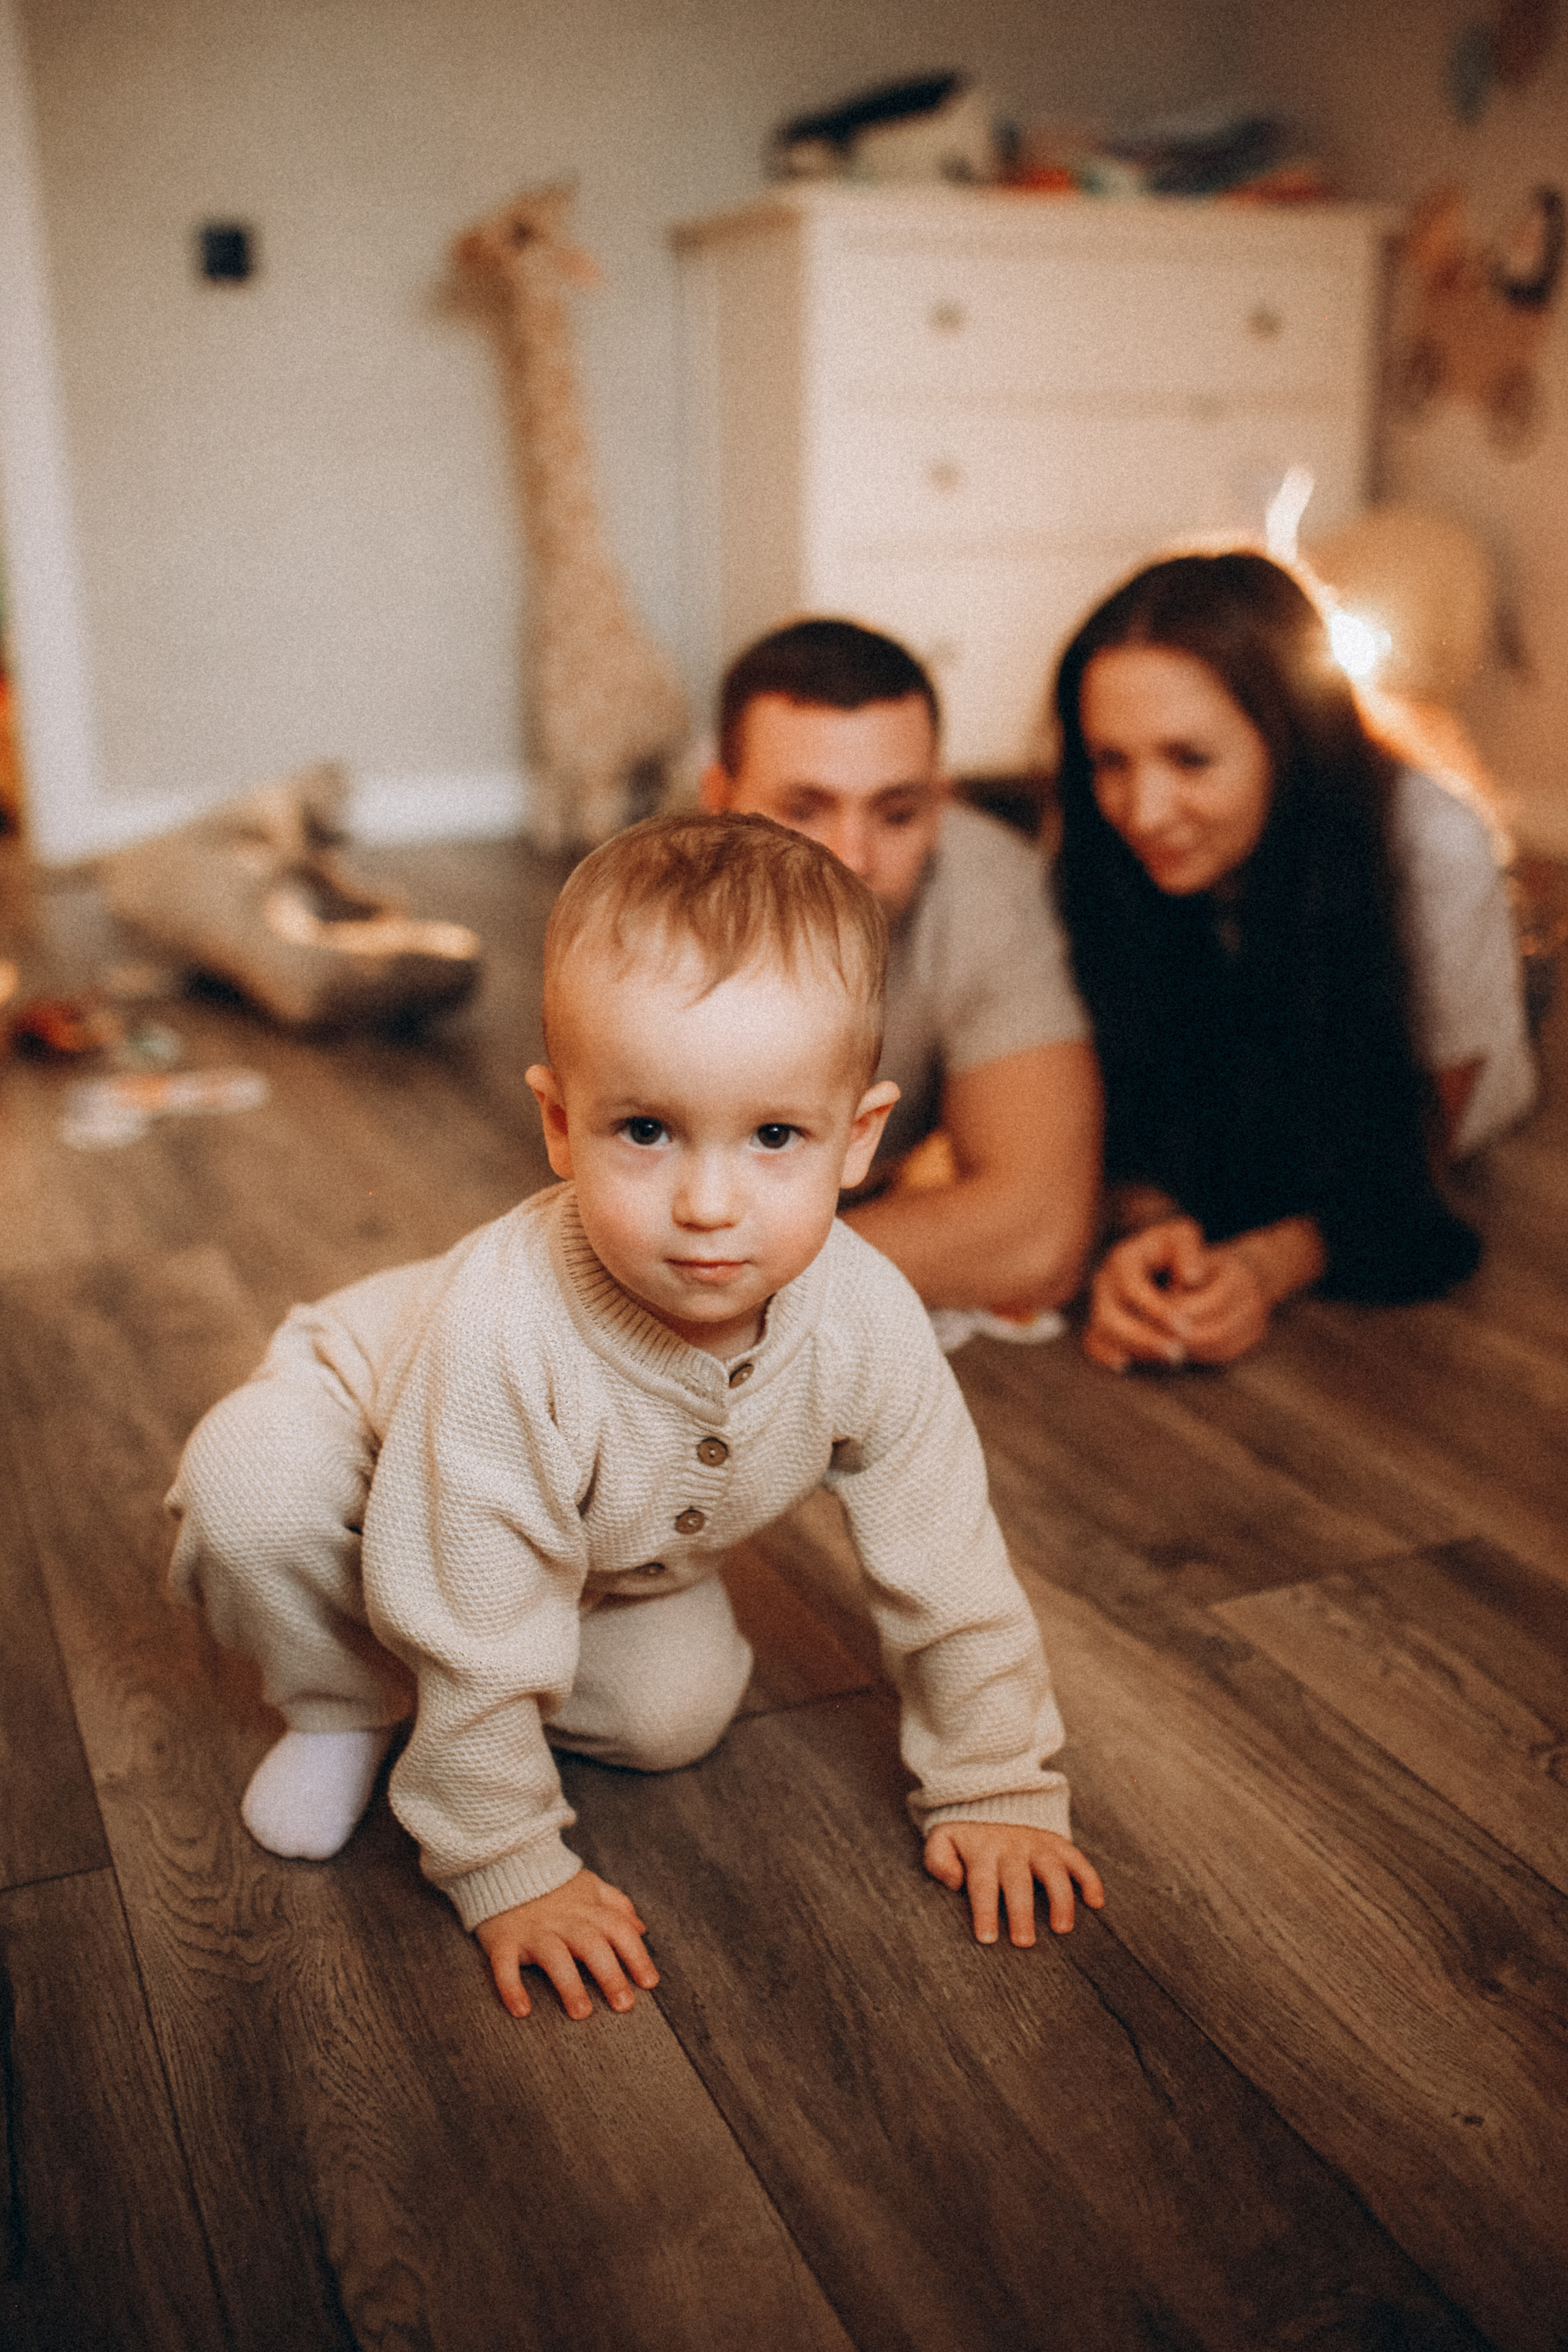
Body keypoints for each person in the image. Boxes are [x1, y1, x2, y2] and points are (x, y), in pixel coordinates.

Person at [167, 812, 1103, 2022]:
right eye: (646, 1131)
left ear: (856, 1138)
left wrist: (994, 1784)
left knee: (674, 1717)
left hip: (596, 1550)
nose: (707, 1205)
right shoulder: (507, 1334)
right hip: (366, 1435)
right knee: (256, 1494)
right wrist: (503, 1859)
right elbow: (475, 1614)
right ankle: (343, 1699)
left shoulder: (868, 1318)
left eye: (774, 1137)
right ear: (560, 1123)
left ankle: (434, 1683)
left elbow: (949, 1565)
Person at [1052, 550, 1536, 1373]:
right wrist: (1146, 1227)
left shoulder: (1428, 849)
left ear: (1293, 741)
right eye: (1111, 761)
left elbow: (1415, 1149)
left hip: (1416, 1107)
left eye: (1190, 759)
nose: (1142, 809)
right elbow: (1122, 1097)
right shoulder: (1092, 844)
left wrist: (1268, 1265)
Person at [699, 619, 1101, 1330]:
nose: (851, 857)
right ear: (719, 800)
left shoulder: (989, 892)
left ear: (941, 805)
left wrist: (717, 1276)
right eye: (803, 809)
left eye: (897, 812)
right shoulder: (641, 914)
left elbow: (1039, 1235)